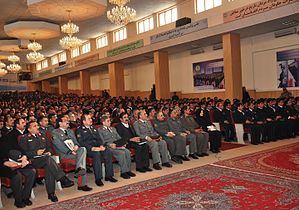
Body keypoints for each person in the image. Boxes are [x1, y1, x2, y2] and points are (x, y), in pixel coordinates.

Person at [19, 120, 74, 202]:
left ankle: (51, 194)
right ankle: (62, 178)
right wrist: (35, 152)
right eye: (34, 126)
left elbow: (49, 148)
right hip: (33, 160)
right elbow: (23, 152)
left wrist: (49, 152)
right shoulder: (24, 138)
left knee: (49, 166)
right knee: (48, 160)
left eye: (37, 125)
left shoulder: (42, 135)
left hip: (45, 159)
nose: (37, 127)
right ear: (29, 129)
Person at [0, 118, 36, 208]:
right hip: (3, 165)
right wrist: (4, 162)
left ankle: (25, 197)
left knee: (32, 171)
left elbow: (18, 148)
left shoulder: (6, 138)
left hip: (15, 162)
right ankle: (18, 200)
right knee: (17, 176)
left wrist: (24, 156)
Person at [51, 114, 92, 191]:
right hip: (64, 155)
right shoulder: (55, 133)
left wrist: (76, 146)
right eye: (65, 120)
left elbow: (76, 142)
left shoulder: (70, 131)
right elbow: (58, 145)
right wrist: (70, 151)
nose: (68, 122)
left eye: (68, 120)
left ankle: (78, 170)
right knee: (81, 159)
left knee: (83, 149)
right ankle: (82, 184)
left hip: (75, 152)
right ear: (60, 123)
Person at [76, 114, 117, 186]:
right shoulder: (79, 130)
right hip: (88, 149)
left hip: (97, 147)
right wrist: (92, 148)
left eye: (91, 118)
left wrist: (101, 145)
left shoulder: (93, 128)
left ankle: (109, 176)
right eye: (89, 119)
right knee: (97, 154)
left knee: (108, 151)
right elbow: (81, 142)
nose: (91, 120)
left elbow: (99, 139)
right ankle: (98, 178)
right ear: (84, 121)